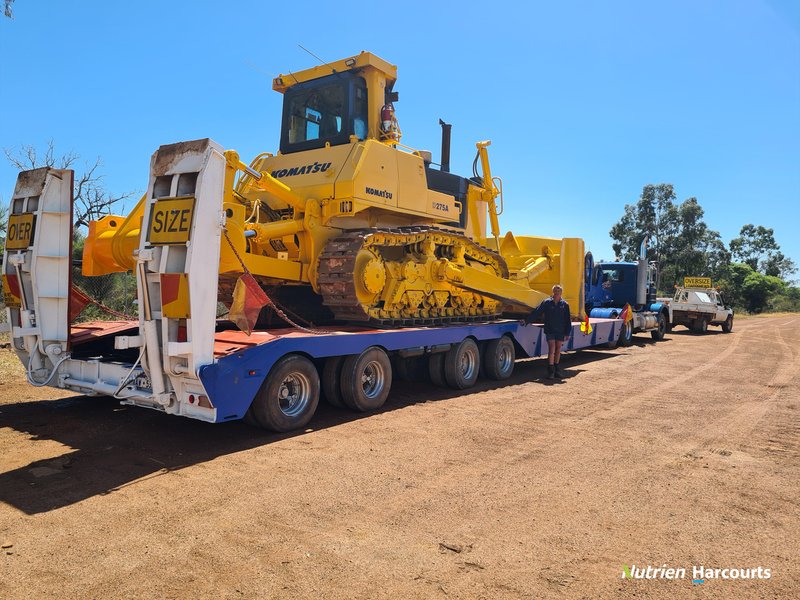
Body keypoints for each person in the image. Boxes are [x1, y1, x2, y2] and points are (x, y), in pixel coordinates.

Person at [525, 284, 572, 379]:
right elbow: (537, 312)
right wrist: (526, 321)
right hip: (550, 330)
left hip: (561, 330)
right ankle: (550, 371)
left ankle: (557, 370)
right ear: (553, 291)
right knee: (552, 349)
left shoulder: (565, 305)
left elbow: (568, 319)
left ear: (561, 292)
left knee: (558, 349)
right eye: (555, 290)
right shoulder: (546, 302)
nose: (557, 292)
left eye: (559, 290)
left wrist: (567, 332)